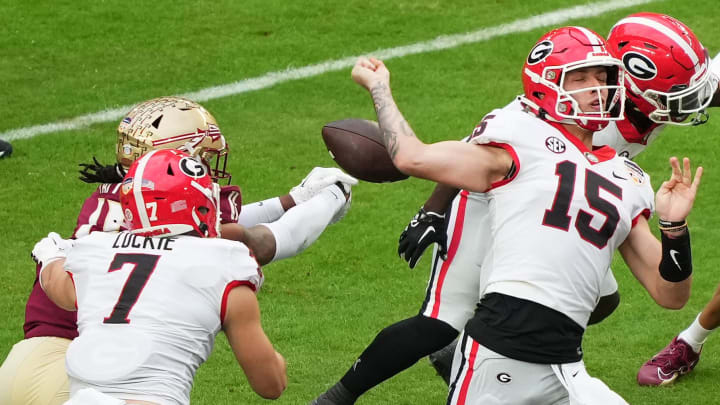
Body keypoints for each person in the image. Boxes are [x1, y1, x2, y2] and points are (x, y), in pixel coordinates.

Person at [312, 12, 720, 400]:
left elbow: (670, 292)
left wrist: (673, 227)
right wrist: (434, 208)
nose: (686, 107)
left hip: (556, 211)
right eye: (677, 96)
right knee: (441, 320)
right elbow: (471, 156)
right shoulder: (534, 122)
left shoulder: (626, 142)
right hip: (488, 200)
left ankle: (483, 349)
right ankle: (340, 396)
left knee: (601, 297)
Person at [0, 96, 356, 405]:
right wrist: (331, 197)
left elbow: (216, 228)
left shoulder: (116, 214)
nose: (207, 167)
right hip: (88, 376)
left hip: (26, 363)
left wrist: (291, 199)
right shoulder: (213, 258)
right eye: (198, 157)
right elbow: (267, 242)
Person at [32, 148, 289, 404]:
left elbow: (58, 287)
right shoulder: (223, 261)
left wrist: (50, 253)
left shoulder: (96, 248)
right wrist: (279, 363)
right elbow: (270, 384)